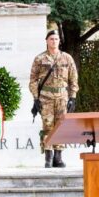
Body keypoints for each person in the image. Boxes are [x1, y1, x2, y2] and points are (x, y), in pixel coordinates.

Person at [29, 30, 79, 168]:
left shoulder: (67, 58)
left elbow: (73, 78)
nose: (54, 41)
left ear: (59, 41)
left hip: (62, 97)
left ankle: (58, 157)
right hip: (46, 97)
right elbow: (33, 80)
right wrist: (35, 98)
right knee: (47, 126)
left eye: (56, 39)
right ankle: (48, 156)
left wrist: (73, 97)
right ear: (46, 41)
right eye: (51, 39)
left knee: (61, 126)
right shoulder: (40, 59)